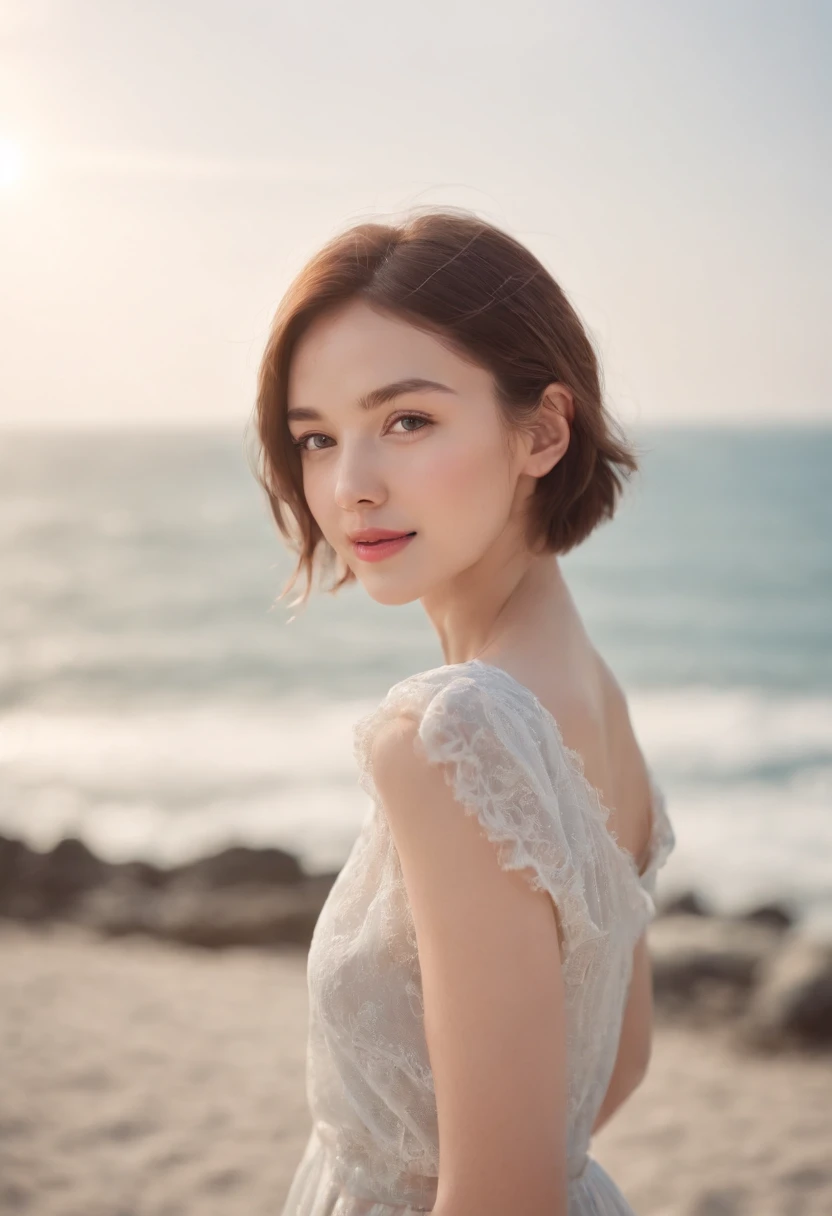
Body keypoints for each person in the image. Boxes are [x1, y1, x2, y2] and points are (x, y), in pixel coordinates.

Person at [250, 206, 677, 1216]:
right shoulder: (590, 695)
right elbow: (617, 1062)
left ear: (540, 430)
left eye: (407, 421)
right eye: (316, 438)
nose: (349, 486)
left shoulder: (451, 733)